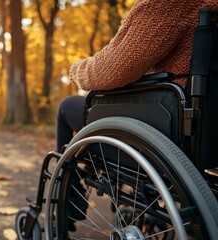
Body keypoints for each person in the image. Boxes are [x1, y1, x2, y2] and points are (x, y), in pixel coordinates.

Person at [56, 0, 218, 152]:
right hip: (206, 124)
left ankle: (61, 180)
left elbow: (114, 69)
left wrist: (75, 70)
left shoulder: (168, 4)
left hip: (168, 122)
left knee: (67, 106)